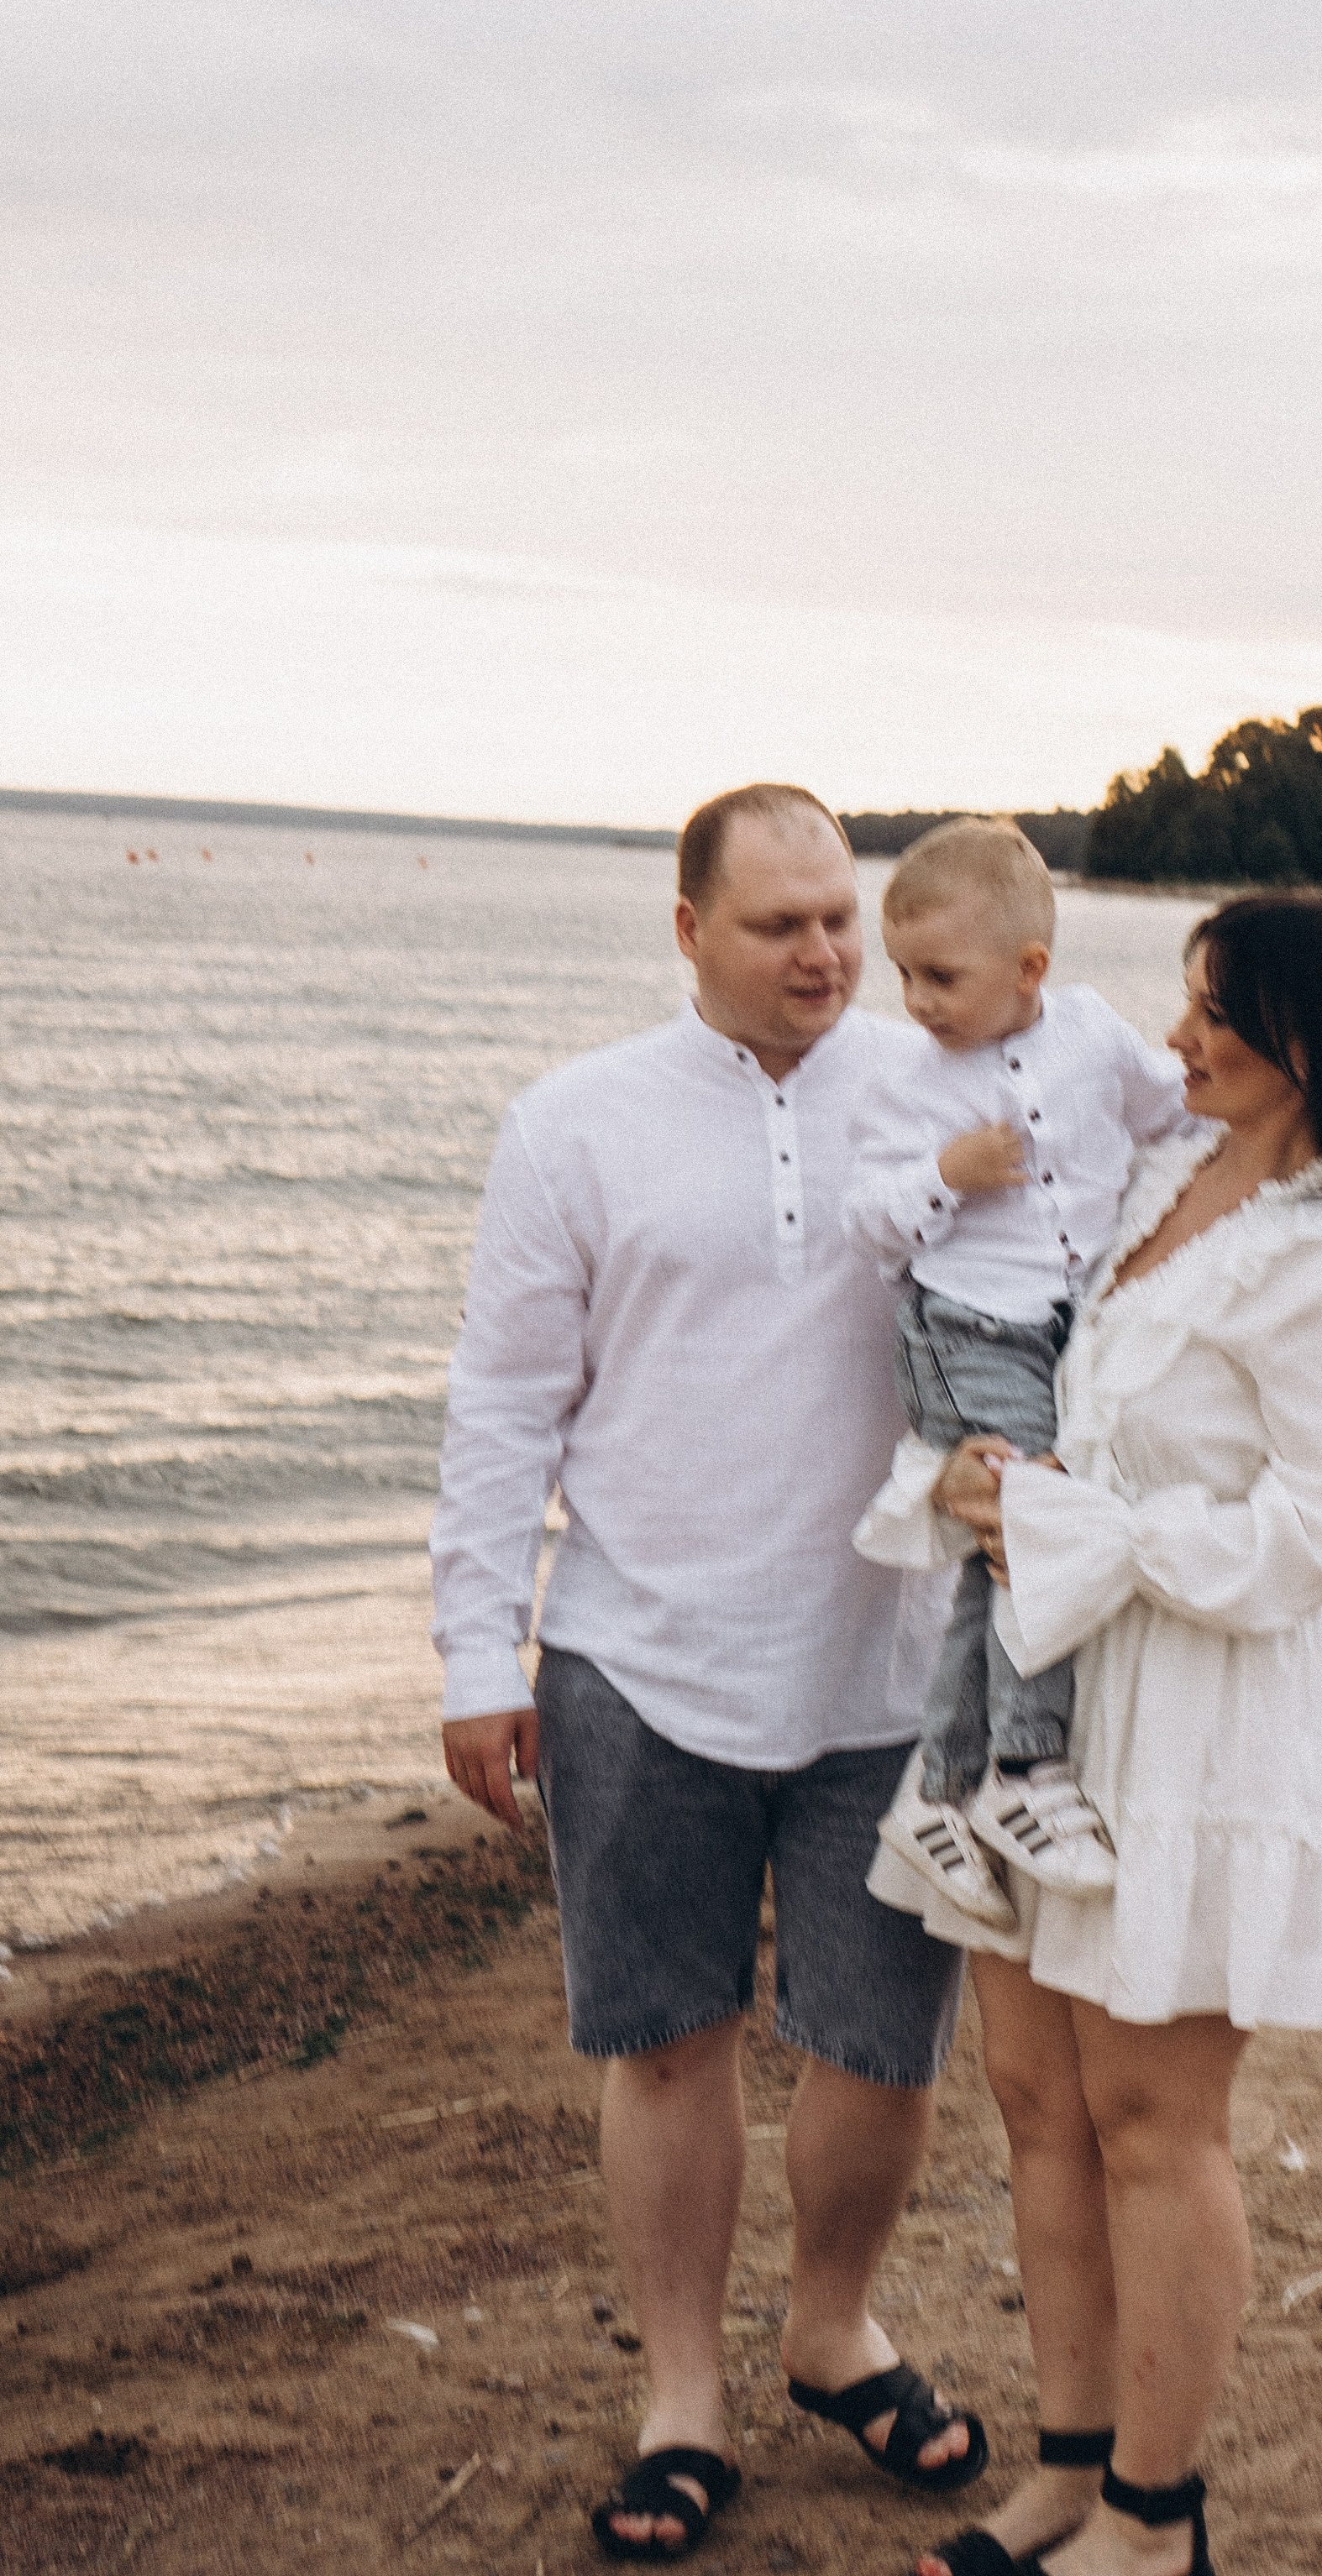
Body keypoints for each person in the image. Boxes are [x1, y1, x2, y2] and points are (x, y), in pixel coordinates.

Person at [430, 786, 986, 2564]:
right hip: (633, 1655)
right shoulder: (572, 1125)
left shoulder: (948, 1096)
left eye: (840, 916)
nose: (824, 952)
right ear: (688, 932)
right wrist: (473, 1649)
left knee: (879, 2050)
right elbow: (505, 1400)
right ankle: (681, 2392)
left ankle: (833, 2331)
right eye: (779, 924)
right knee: (665, 2045)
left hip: (891, 1663)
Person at [875, 892, 1322, 2576]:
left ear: (1304, 1045)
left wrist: (1094, 1540)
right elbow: (1047, 1405)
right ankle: (1066, 2465)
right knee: (1034, 2100)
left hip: (1195, 1714)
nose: (1170, 1041)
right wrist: (966, 1484)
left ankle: (1155, 2515)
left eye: (1208, 1016)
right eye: (1181, 1006)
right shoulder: (1141, 1193)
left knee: (1149, 2126)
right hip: (1050, 1694)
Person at [845, 817, 1192, 1928]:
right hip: (966, 1329)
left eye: (941, 976)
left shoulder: (1091, 1032)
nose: (918, 1000)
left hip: (1062, 1330)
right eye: (903, 975)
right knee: (1029, 1524)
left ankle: (942, 1794)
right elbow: (870, 1225)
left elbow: (1170, 1108)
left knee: (1002, 1552)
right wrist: (946, 1176)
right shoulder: (911, 1084)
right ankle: (1023, 1773)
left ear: (1030, 969)